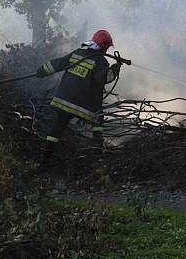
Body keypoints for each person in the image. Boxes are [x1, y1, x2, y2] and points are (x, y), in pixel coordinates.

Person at [36, 29, 122, 162]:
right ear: (105, 47)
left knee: (58, 126)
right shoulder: (100, 61)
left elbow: (58, 64)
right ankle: (97, 156)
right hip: (84, 106)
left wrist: (42, 71)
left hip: (63, 101)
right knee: (97, 120)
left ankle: (45, 157)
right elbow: (104, 78)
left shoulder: (77, 53)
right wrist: (116, 68)